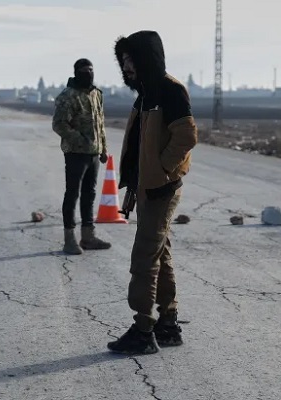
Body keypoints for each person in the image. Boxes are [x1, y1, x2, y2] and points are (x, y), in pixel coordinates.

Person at [107, 31, 197, 355]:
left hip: (161, 188)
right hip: (147, 187)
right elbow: (140, 144)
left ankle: (143, 331)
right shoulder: (145, 93)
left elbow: (186, 136)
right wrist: (137, 181)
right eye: (123, 61)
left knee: (144, 258)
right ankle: (168, 324)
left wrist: (162, 170)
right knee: (161, 254)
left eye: (131, 60)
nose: (126, 67)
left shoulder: (170, 90)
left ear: (147, 58)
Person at [52, 58, 112, 255]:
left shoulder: (96, 94)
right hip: (75, 153)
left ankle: (88, 236)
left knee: (89, 194)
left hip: (93, 153)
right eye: (85, 71)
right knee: (72, 194)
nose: (89, 74)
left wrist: (103, 148)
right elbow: (59, 124)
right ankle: (69, 239)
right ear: (76, 73)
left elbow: (100, 123)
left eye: (91, 70)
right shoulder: (68, 96)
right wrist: (80, 140)